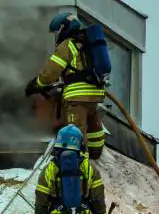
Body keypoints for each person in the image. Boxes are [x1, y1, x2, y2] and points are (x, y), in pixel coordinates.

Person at [25, 12, 107, 159]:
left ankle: (79, 163)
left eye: (57, 31)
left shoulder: (68, 45)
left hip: (76, 97)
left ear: (64, 28)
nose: (57, 36)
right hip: (94, 94)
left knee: (75, 132)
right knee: (93, 124)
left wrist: (37, 83)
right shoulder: (86, 42)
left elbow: (51, 72)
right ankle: (95, 153)